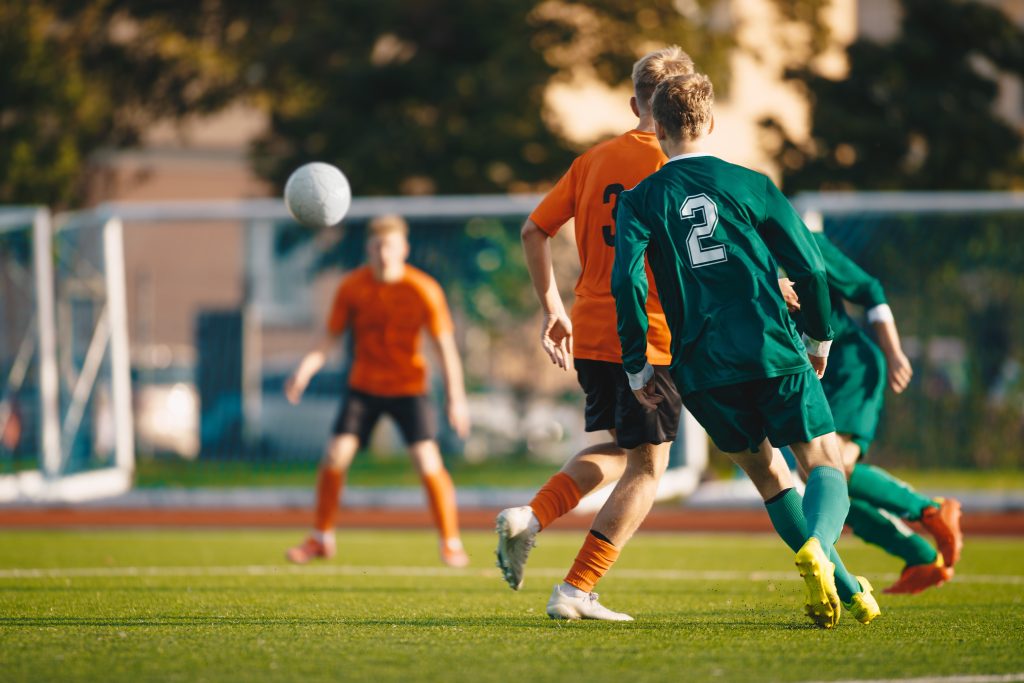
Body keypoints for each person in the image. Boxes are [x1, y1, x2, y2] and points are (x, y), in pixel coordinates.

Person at [611, 72, 879, 628]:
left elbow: (626, 283)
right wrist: (820, 336)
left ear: (657, 129)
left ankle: (848, 589)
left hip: (701, 368)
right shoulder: (750, 182)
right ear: (709, 123)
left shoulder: (639, 200)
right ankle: (820, 552)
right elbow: (808, 263)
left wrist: (637, 363)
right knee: (824, 462)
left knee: (770, 478)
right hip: (769, 347)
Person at [493, 46, 695, 622]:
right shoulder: (678, 167)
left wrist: (551, 307)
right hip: (649, 335)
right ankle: (577, 589)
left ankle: (530, 517)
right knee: (650, 468)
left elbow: (535, 230)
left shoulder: (592, 161)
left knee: (621, 450)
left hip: (591, 328)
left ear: (634, 102)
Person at [284, 214, 471, 568]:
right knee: (335, 455)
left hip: (408, 388)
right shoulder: (352, 287)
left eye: (390, 246)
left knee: (427, 461)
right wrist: (305, 369)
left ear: (404, 249)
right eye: (377, 246)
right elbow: (328, 337)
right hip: (364, 387)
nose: (384, 253)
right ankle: (321, 537)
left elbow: (445, 347)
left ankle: (451, 543)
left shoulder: (423, 289)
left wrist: (456, 399)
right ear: (368, 249)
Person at [787, 224, 962, 593]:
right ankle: (918, 551)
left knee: (835, 467)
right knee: (817, 477)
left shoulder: (805, 242)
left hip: (850, 365)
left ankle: (928, 511)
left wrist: (894, 350)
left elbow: (870, 290)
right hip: (808, 374)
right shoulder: (737, 254)